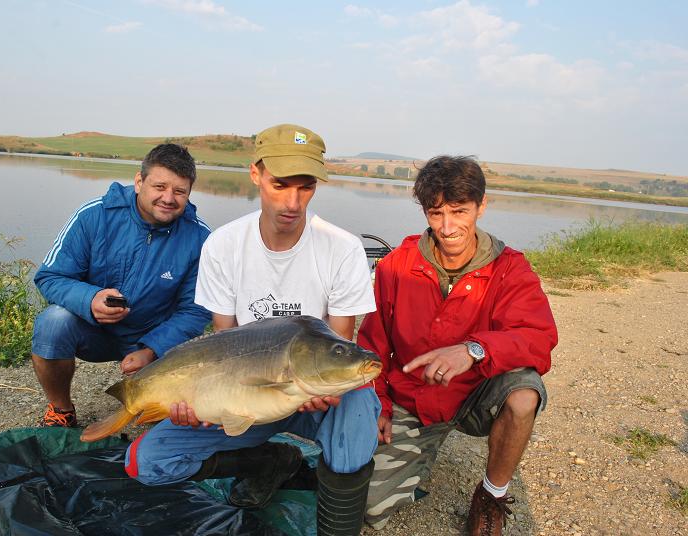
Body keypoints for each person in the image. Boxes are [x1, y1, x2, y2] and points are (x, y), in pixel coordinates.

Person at [124, 124, 381, 535]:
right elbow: (224, 345)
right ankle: (269, 461)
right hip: (246, 391)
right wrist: (202, 402)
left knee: (357, 411)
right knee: (146, 463)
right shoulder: (224, 245)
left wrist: (327, 390)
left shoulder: (342, 247)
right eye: (280, 185)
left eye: (306, 187)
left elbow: (339, 344)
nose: (293, 202)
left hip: (311, 392)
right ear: (256, 174)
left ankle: (339, 526)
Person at [358, 156, 558, 535]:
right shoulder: (396, 266)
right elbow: (372, 344)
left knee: (524, 394)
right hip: (413, 398)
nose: (447, 227)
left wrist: (473, 350)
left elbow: (539, 336)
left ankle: (491, 495)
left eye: (459, 211)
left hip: (474, 394)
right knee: (368, 505)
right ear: (425, 212)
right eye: (436, 213)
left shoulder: (509, 269)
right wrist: (379, 403)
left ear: (481, 206)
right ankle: (418, 454)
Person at [31, 143, 212, 428]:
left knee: (162, 424)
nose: (168, 198)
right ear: (139, 182)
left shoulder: (201, 238)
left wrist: (151, 349)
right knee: (52, 322)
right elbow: (50, 276)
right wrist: (90, 299)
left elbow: (196, 310)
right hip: (94, 331)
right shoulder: (94, 215)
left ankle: (152, 396)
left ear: (189, 193)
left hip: (154, 339)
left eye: (179, 191)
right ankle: (61, 409)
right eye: (160, 186)